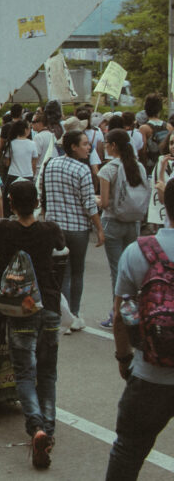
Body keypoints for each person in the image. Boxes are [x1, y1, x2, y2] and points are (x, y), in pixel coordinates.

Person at [0, 180, 66, 470]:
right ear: (36, 202)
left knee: (24, 373)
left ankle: (36, 427)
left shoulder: (3, 229)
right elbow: (62, 246)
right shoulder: (49, 230)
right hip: (50, 306)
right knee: (47, 374)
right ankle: (48, 430)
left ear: (10, 203)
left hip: (20, 310)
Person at [107, 179, 174, 479]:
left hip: (150, 374)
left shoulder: (139, 251)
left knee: (129, 449)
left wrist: (124, 358)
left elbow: (120, 314)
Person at [39, 130, 103, 332]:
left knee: (61, 272)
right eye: (84, 144)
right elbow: (89, 204)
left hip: (53, 225)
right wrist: (99, 228)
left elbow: (44, 194)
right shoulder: (82, 170)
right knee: (77, 272)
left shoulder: (51, 165)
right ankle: (73, 314)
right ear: (73, 146)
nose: (88, 147)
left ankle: (62, 316)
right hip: (77, 227)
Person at [97, 129, 149, 326]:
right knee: (133, 269)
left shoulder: (108, 169)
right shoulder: (138, 166)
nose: (105, 145)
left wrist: (95, 200)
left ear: (113, 146)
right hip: (134, 222)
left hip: (113, 222)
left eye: (107, 142)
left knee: (117, 271)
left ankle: (117, 314)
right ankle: (135, 311)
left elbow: (103, 202)